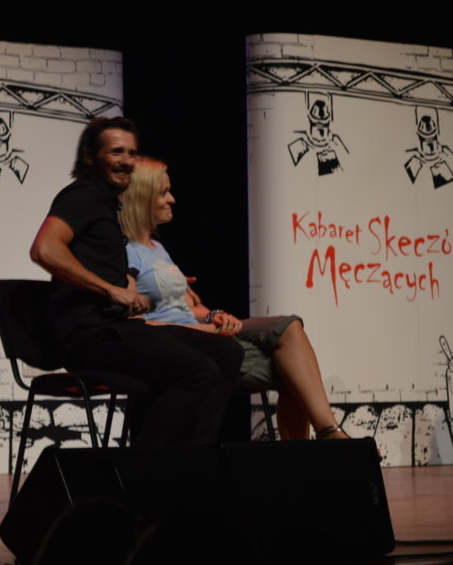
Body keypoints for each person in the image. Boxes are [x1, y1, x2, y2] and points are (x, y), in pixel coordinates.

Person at [30, 117, 243, 447]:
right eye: (116, 152)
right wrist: (110, 290)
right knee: (198, 370)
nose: (127, 161)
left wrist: (134, 289)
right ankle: (141, 468)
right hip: (90, 336)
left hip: (118, 329)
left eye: (132, 153)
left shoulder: (107, 205)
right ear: (90, 157)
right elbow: (44, 249)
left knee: (228, 353)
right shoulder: (83, 195)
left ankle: (196, 460)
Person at [118, 158, 347, 440]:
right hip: (181, 345)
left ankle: (325, 435)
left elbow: (187, 306)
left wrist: (213, 315)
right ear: (142, 198)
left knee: (290, 327)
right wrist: (205, 330)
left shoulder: (157, 248)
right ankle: (327, 436)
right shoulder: (127, 252)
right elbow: (134, 325)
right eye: (163, 193)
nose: (172, 199)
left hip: (203, 332)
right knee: (292, 374)